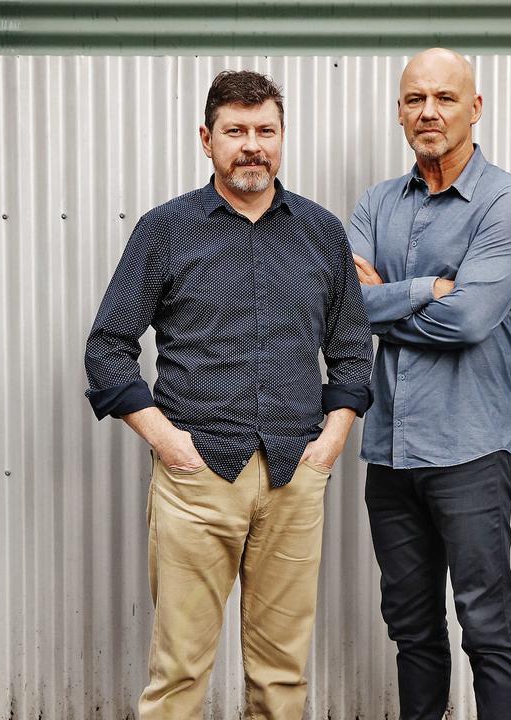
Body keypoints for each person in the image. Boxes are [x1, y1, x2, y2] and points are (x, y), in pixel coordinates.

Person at [84, 69, 373, 719]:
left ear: (282, 137)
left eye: (264, 131)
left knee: (282, 677)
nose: (251, 145)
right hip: (196, 479)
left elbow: (352, 349)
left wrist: (328, 445)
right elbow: (107, 347)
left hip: (293, 479)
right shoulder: (166, 231)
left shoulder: (321, 233)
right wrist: (167, 442)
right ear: (206, 138)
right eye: (235, 131)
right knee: (180, 672)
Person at [347, 48, 511, 720]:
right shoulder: (377, 203)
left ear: (474, 107)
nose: (428, 111)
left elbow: (467, 323)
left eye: (445, 97)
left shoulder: (506, 204)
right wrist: (429, 288)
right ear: (400, 111)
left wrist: (387, 301)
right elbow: (340, 308)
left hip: (470, 453)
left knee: (487, 630)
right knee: (413, 633)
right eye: (414, 99)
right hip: (390, 454)